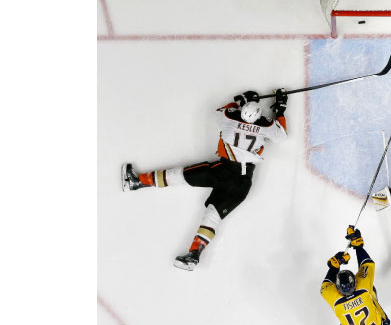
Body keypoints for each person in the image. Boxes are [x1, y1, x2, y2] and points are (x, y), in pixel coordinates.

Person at [121, 88, 288, 270]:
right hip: (243, 181)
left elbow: (221, 112)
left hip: (224, 170)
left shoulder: (230, 120)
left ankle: (137, 181)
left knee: (181, 175)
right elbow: (281, 135)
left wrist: (240, 102)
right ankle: (194, 254)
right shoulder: (266, 126)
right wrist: (280, 109)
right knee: (212, 216)